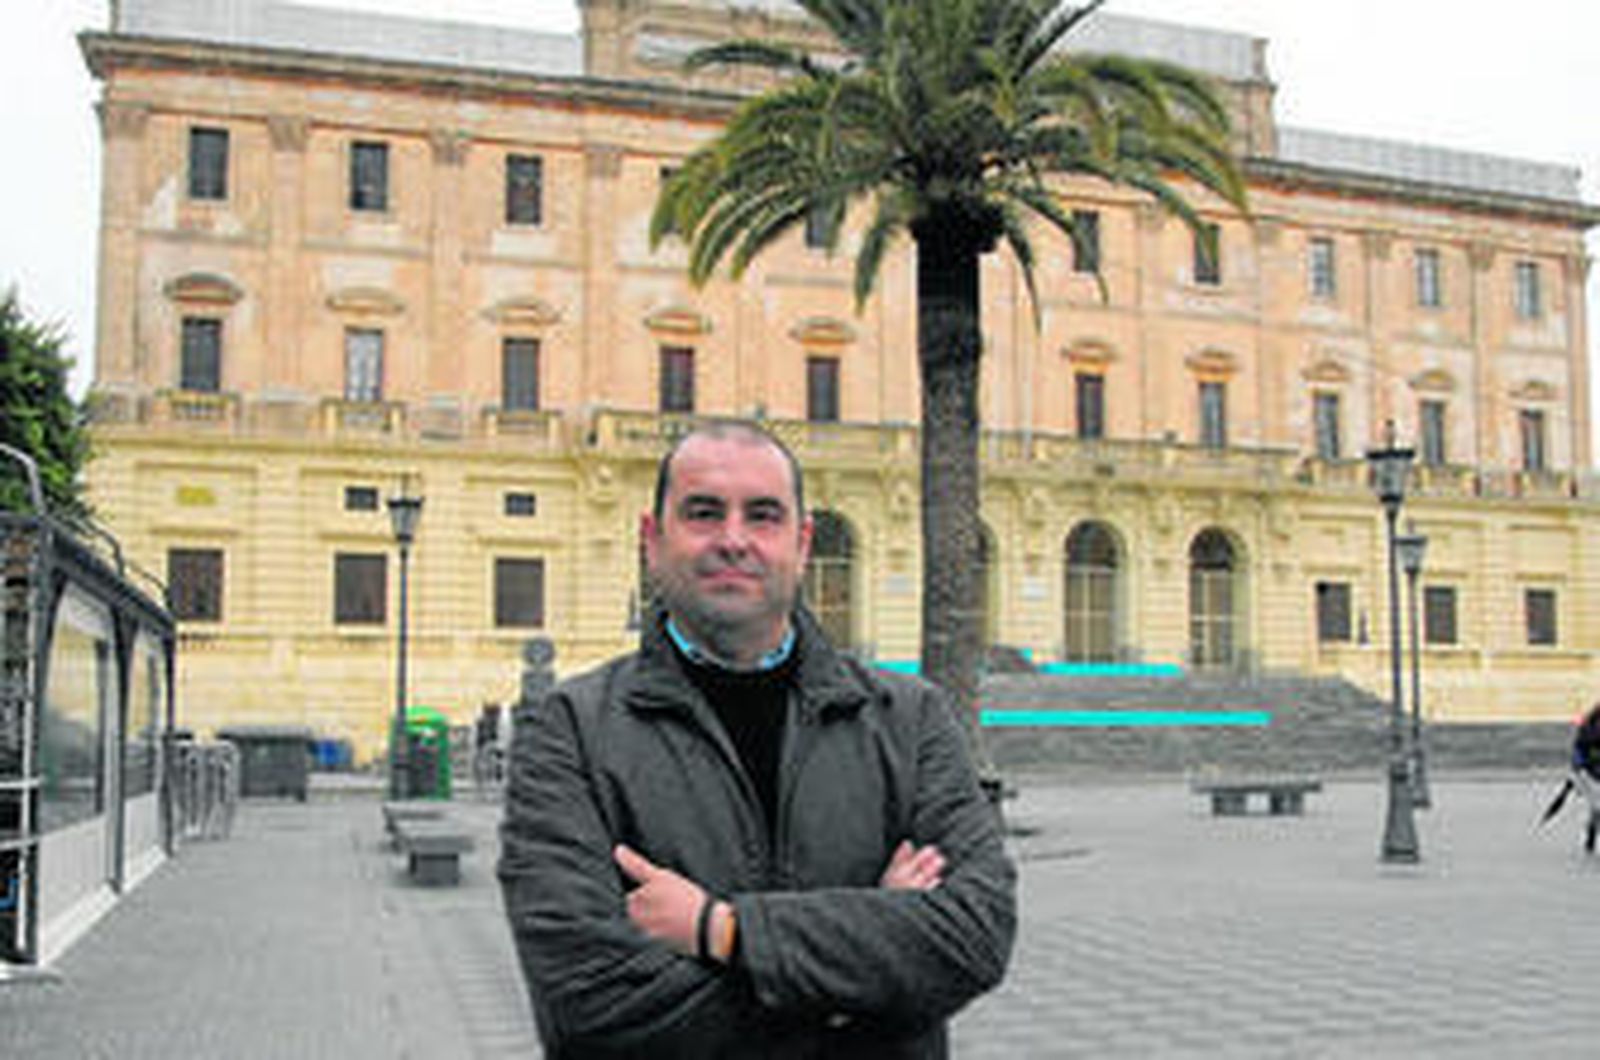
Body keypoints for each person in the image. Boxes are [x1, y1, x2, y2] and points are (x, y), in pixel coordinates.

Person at [499, 420, 1016, 1058]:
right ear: (652, 540)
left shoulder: (910, 719)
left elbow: (975, 935)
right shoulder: (570, 730)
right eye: (703, 513)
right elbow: (588, 998)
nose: (734, 539)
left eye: (763, 516)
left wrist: (724, 932)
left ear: (801, 545)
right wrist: (864, 971)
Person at [1573, 703, 1600, 853]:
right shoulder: (1590, 726)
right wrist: (1578, 769)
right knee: (1598, 808)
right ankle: (1592, 830)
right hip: (1592, 773)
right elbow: (1579, 748)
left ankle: (1593, 828)